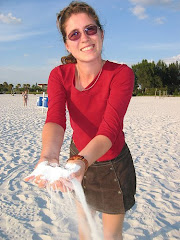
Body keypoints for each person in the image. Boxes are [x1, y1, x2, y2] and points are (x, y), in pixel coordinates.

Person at [26, 1, 136, 239]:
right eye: (74, 34)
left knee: (110, 235)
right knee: (85, 229)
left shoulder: (121, 74)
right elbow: (56, 118)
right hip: (76, 157)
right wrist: (49, 157)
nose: (84, 38)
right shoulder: (59, 75)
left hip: (111, 164)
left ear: (101, 33)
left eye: (90, 29)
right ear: (67, 44)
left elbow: (109, 129)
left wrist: (81, 163)